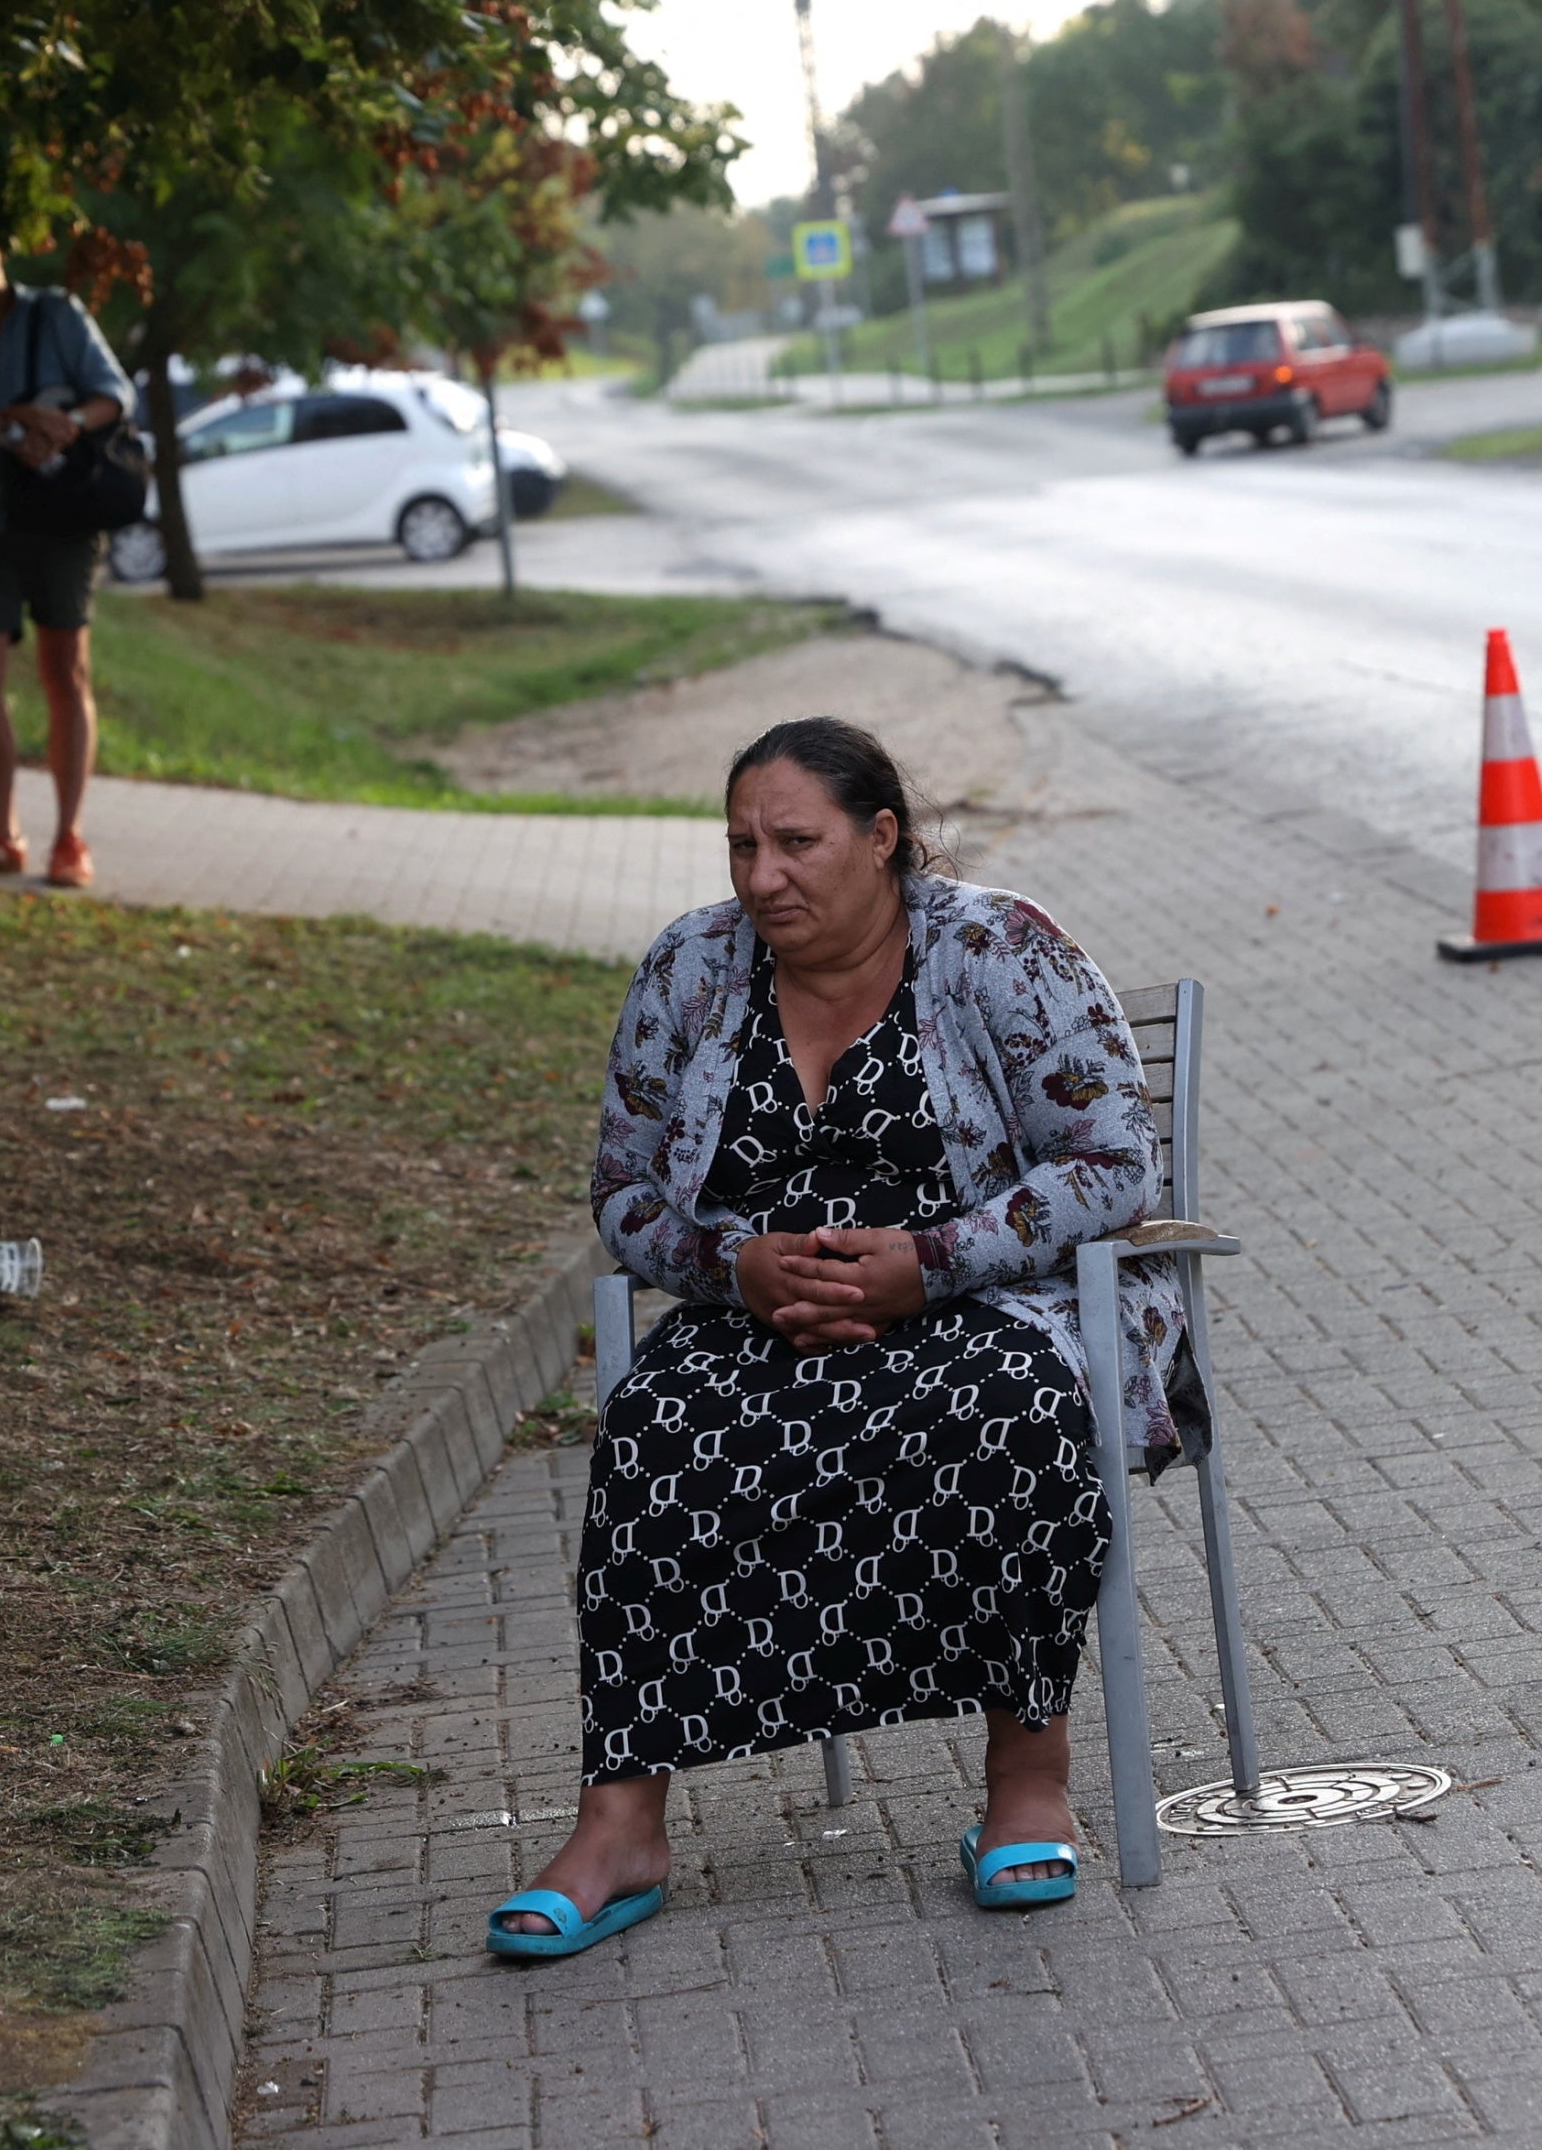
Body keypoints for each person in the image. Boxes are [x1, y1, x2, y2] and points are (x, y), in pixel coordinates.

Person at [495, 717, 1176, 1959]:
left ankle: (1028, 1776)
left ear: (883, 838)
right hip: (766, 1316)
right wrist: (731, 1268)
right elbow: (623, 1191)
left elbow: (1117, 1160)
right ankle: (619, 1826)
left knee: (1012, 1405)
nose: (763, 878)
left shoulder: (1000, 949)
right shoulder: (690, 970)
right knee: (660, 1421)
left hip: (978, 1307)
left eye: (796, 843)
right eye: (743, 846)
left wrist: (932, 1262)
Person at [0, 207, 133, 890]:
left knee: (64, 667)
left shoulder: (58, 314)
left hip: (64, 514)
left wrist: (62, 423)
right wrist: (14, 418)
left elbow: (114, 395)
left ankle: (69, 835)